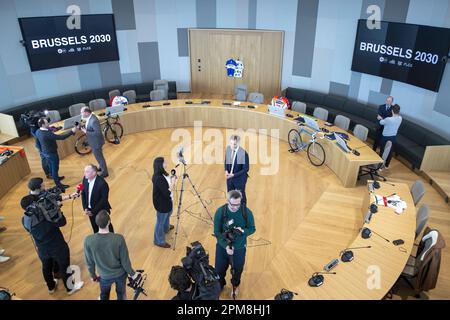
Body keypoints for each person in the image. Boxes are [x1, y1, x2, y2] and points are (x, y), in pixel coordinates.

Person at [20, 177, 84, 295]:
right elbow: (62, 222)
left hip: (42, 249)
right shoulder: (47, 220)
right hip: (56, 245)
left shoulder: (24, 220)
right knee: (64, 265)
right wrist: (57, 209)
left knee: (46, 267)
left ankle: (51, 286)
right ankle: (70, 288)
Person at [84, 210, 140, 300]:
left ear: (96, 222)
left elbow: (89, 262)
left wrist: (93, 276)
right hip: (120, 275)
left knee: (104, 295)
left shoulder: (88, 240)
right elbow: (125, 261)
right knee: (121, 294)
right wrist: (132, 274)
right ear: (109, 222)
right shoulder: (119, 239)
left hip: (104, 276)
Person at [214, 190, 255, 298]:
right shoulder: (220, 212)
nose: (235, 207)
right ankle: (220, 285)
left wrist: (243, 231)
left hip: (239, 248)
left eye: (237, 204)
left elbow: (252, 228)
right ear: (227, 201)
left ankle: (235, 286)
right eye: (232, 204)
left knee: (237, 269)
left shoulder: (246, 212)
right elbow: (217, 232)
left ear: (241, 201)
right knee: (219, 269)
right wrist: (226, 245)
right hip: (223, 247)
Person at [35, 117, 78, 190]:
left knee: (52, 167)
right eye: (46, 123)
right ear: (42, 125)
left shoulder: (38, 131)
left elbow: (37, 142)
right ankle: (58, 185)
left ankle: (56, 177)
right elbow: (61, 137)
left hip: (46, 152)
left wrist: (42, 151)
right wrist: (71, 131)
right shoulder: (46, 134)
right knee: (55, 168)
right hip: (51, 153)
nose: (48, 123)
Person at [152, 157, 177, 248]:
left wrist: (171, 177)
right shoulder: (158, 178)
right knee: (160, 221)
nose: (166, 163)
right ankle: (159, 240)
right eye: (164, 162)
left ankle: (166, 228)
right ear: (160, 165)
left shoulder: (161, 174)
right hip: (162, 203)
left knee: (168, 213)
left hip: (166, 202)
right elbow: (167, 193)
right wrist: (173, 184)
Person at [81, 164, 114, 233]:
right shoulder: (85, 179)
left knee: (106, 227)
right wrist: (85, 208)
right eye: (85, 171)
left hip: (100, 210)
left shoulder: (102, 184)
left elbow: (103, 200)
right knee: (95, 227)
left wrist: (93, 211)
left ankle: (112, 239)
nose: (85, 173)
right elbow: (83, 193)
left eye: (87, 172)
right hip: (90, 210)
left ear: (94, 173)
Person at [80, 107, 109, 178]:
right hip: (93, 141)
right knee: (98, 157)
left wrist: (86, 131)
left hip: (96, 142)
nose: (81, 114)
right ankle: (101, 168)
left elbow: (98, 133)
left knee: (99, 157)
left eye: (82, 112)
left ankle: (105, 172)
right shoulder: (89, 118)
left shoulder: (93, 120)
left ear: (86, 112)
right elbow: (91, 128)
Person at [224, 135, 250, 205]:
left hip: (239, 179)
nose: (232, 146)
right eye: (231, 143)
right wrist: (226, 170)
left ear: (238, 143)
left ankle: (243, 209)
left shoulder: (243, 153)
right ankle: (231, 207)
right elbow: (226, 161)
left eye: (234, 144)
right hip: (229, 178)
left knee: (241, 196)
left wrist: (234, 175)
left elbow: (246, 169)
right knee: (230, 194)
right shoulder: (229, 149)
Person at [378, 104, 402, 169]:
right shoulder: (400, 118)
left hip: (385, 137)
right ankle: (386, 165)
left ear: (392, 111)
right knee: (390, 152)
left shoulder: (388, 119)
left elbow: (381, 122)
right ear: (399, 111)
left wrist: (380, 118)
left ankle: (379, 166)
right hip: (393, 137)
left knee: (382, 151)